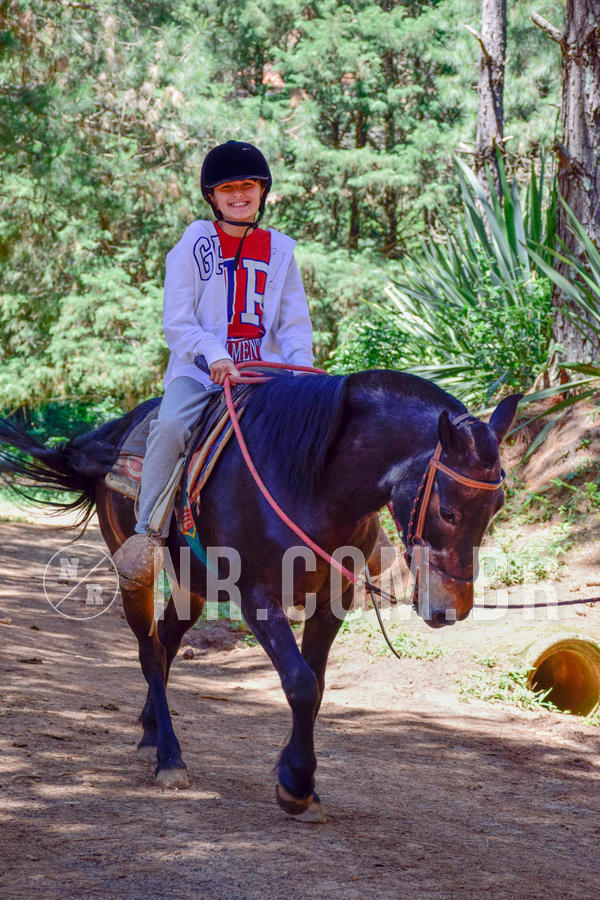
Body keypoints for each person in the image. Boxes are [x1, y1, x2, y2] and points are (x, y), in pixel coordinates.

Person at [113, 140, 314, 587]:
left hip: (267, 375)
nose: (238, 195)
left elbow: (294, 325)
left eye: (247, 186)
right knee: (169, 428)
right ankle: (147, 533)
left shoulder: (281, 250)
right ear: (212, 197)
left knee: (318, 427)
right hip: (201, 373)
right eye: (227, 188)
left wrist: (303, 376)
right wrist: (214, 353)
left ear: (262, 191)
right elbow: (178, 321)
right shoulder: (194, 244)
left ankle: (356, 534)